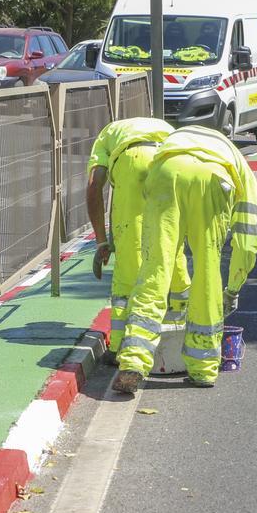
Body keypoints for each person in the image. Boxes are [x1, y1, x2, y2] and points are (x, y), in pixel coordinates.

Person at [113, 125, 257, 392]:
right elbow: (246, 243)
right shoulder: (241, 168)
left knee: (154, 269)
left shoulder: (178, 139)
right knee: (207, 271)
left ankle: (133, 361)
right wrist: (233, 290)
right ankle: (203, 370)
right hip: (215, 178)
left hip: (166, 170)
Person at [86, 118, 190, 362]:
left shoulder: (106, 135)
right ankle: (179, 328)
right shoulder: (164, 127)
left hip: (133, 160)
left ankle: (122, 346)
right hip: (172, 161)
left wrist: (102, 242)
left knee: (129, 261)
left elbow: (94, 186)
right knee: (170, 249)